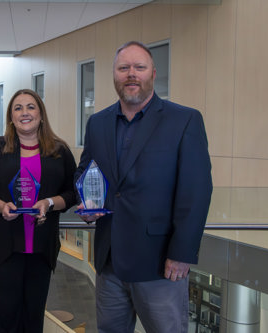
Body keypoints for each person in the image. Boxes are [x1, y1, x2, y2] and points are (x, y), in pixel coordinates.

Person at [75, 41, 212, 333]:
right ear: (114, 74)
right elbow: (86, 172)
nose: (131, 74)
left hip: (161, 264)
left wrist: (182, 252)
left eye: (139, 67)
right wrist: (87, 205)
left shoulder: (184, 120)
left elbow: (196, 191)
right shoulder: (97, 123)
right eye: (123, 68)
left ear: (153, 73)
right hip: (109, 262)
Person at [0, 89, 77, 332]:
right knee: (3, 320)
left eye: (30, 106)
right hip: (3, 249)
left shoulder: (59, 151)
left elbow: (73, 193)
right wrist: (1, 206)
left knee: (33, 320)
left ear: (41, 114)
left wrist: (48, 202)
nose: (24, 112)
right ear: (11, 117)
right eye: (18, 108)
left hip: (41, 250)